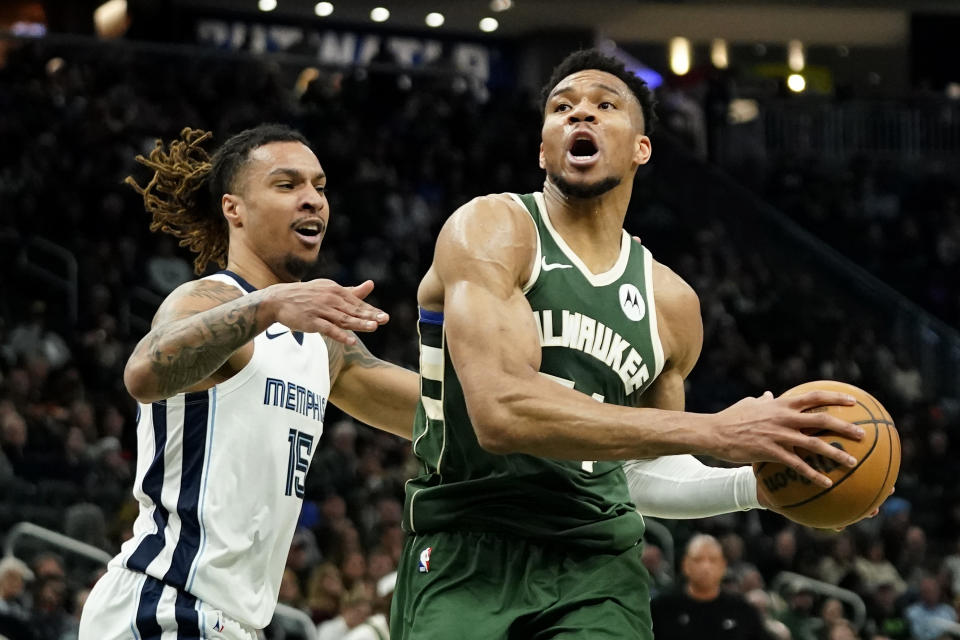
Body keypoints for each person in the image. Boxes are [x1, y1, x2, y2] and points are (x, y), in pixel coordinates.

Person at [390, 48, 867, 640]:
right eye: (562, 108)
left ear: (641, 148)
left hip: (597, 564)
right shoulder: (493, 229)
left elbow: (639, 473)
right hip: (468, 544)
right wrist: (715, 431)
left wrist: (761, 487)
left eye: (603, 106)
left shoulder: (671, 304)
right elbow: (501, 413)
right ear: (542, 148)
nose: (579, 116)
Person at [78, 124, 419, 639]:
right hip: (167, 604)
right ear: (234, 209)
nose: (312, 201)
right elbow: (144, 372)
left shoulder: (325, 347)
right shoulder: (207, 300)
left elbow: (446, 411)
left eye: (319, 187)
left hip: (232, 621)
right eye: (287, 185)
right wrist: (269, 304)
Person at [651, 534, 771, 640]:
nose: (706, 567)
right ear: (685, 565)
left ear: (723, 566)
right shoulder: (661, 609)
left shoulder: (743, 611)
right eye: (698, 560)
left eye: (712, 560)